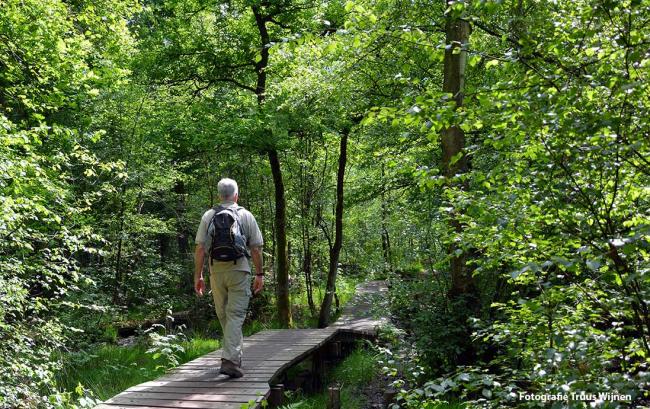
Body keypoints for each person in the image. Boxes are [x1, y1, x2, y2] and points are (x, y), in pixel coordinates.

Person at [194, 178, 264, 378]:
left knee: (225, 315)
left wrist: (198, 276)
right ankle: (231, 360)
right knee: (234, 315)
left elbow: (200, 249)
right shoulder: (245, 215)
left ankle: (233, 356)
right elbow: (256, 249)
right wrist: (259, 274)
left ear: (219, 195)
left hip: (216, 272)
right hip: (239, 270)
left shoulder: (209, 215)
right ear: (236, 195)